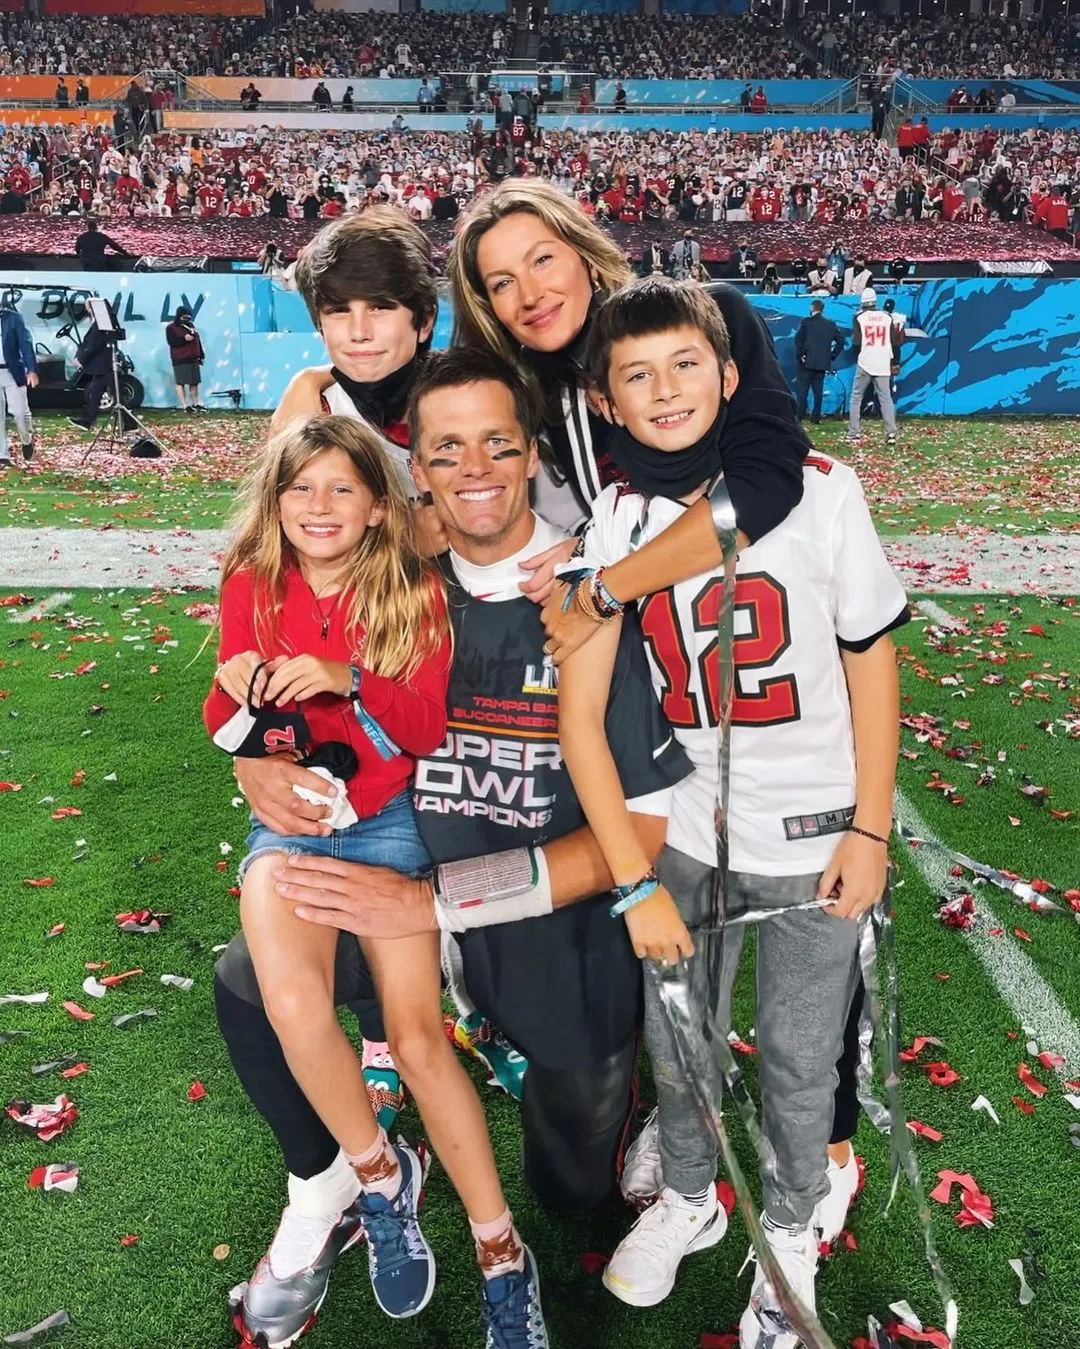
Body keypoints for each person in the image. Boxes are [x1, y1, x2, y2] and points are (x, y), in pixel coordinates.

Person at [212, 350, 688, 1347]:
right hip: (397, 877)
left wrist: (433, 903)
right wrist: (253, 765)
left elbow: (636, 838)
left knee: (570, 1188)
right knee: (253, 981)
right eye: (445, 448)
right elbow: (270, 662)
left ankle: (581, 1098)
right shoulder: (387, 572)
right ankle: (341, 1181)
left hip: (534, 924)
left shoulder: (589, 596)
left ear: (532, 456)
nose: (474, 467)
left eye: (498, 444)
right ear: (415, 470)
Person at [557, 277, 907, 1335]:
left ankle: (792, 1221)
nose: (663, 391)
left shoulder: (822, 488)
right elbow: (584, 695)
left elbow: (872, 663)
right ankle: (692, 1195)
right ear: (607, 403)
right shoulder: (615, 516)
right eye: (636, 376)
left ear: (728, 374)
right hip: (684, 831)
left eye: (683, 366)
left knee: (805, 1051)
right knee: (682, 1037)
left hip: (812, 826)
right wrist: (631, 882)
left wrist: (873, 823)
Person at [207, 413, 548, 1342]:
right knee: (291, 1003)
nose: (318, 506)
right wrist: (235, 700)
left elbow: (426, 726)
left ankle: (501, 1251)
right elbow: (228, 718)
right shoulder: (251, 581)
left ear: (373, 507)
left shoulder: (409, 586)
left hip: (390, 826)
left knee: (418, 1037)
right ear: (275, 501)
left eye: (341, 489)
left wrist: (345, 675)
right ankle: (381, 1177)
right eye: (300, 488)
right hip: (291, 825)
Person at [447, 180, 808, 600]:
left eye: (543, 259)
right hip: (648, 632)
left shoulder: (712, 317)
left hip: (768, 604)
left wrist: (609, 581)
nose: (530, 295)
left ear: (585, 256)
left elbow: (764, 486)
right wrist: (589, 547)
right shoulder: (529, 391)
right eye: (502, 284)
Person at [847, 288, 899, 445]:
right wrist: (894, 362)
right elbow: (894, 342)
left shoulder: (859, 318)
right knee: (886, 398)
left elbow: (857, 343)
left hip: (866, 361)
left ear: (862, 303)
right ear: (875, 302)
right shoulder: (887, 317)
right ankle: (891, 433)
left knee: (856, 397)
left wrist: (860, 358)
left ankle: (854, 432)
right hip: (883, 361)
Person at [0, 297, 38, 467]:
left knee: (20, 414)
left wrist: (31, 370)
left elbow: (25, 344)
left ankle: (26, 440)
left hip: (11, 371)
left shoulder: (13, 318)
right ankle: (3, 454)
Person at [794, 299, 843, 425]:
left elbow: (798, 340)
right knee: (818, 392)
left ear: (812, 308)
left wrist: (801, 355)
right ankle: (815, 418)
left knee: (803, 391)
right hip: (822, 363)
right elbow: (841, 342)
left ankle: (799, 417)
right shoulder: (831, 325)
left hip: (807, 361)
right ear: (822, 309)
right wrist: (832, 356)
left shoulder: (806, 322)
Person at [68, 301, 114, 433]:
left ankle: (130, 423)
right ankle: (88, 421)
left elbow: (94, 345)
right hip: (101, 365)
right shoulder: (100, 323)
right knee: (96, 392)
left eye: (88, 306)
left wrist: (81, 359)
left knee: (108, 392)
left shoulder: (101, 324)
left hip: (102, 364)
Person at [165, 305, 205, 413]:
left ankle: (195, 403)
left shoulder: (191, 326)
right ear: (179, 316)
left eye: (188, 317)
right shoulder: (171, 328)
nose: (187, 320)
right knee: (180, 382)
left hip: (193, 358)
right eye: (184, 317)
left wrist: (201, 355)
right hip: (180, 359)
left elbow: (197, 341)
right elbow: (171, 342)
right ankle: (184, 405)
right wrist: (184, 339)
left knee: (194, 382)